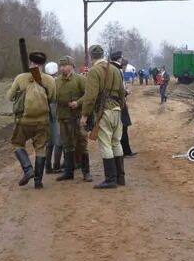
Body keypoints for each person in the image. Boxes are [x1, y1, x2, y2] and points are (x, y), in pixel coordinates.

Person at [7, 51, 57, 189]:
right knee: (40, 148)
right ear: (43, 64)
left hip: (24, 121)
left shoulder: (21, 78)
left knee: (17, 144)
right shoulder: (50, 80)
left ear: (31, 63)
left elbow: (9, 96)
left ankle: (28, 169)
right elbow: (53, 98)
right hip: (43, 121)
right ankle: (38, 181)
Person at [79, 44, 126, 189]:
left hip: (103, 111)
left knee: (105, 144)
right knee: (116, 143)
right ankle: (120, 177)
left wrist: (85, 114)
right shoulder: (116, 69)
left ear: (91, 56)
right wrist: (121, 109)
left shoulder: (94, 71)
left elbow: (90, 96)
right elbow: (122, 92)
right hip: (117, 109)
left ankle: (110, 179)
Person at [55, 55, 92, 182]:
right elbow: (53, 96)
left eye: (65, 65)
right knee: (67, 145)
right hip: (63, 117)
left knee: (82, 144)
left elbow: (88, 95)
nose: (62, 68)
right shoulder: (57, 81)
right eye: (61, 66)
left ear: (71, 65)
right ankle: (68, 172)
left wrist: (78, 102)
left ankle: (86, 173)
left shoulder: (80, 79)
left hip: (77, 118)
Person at [115, 55, 137, 157]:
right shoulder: (118, 74)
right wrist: (125, 92)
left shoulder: (119, 74)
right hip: (120, 105)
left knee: (124, 129)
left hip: (122, 104)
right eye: (124, 67)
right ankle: (124, 152)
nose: (124, 69)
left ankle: (126, 151)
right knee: (123, 130)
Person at [43, 61, 63, 173]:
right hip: (56, 109)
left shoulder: (42, 81)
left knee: (49, 141)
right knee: (59, 140)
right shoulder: (58, 81)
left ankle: (48, 166)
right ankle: (56, 165)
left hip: (45, 110)